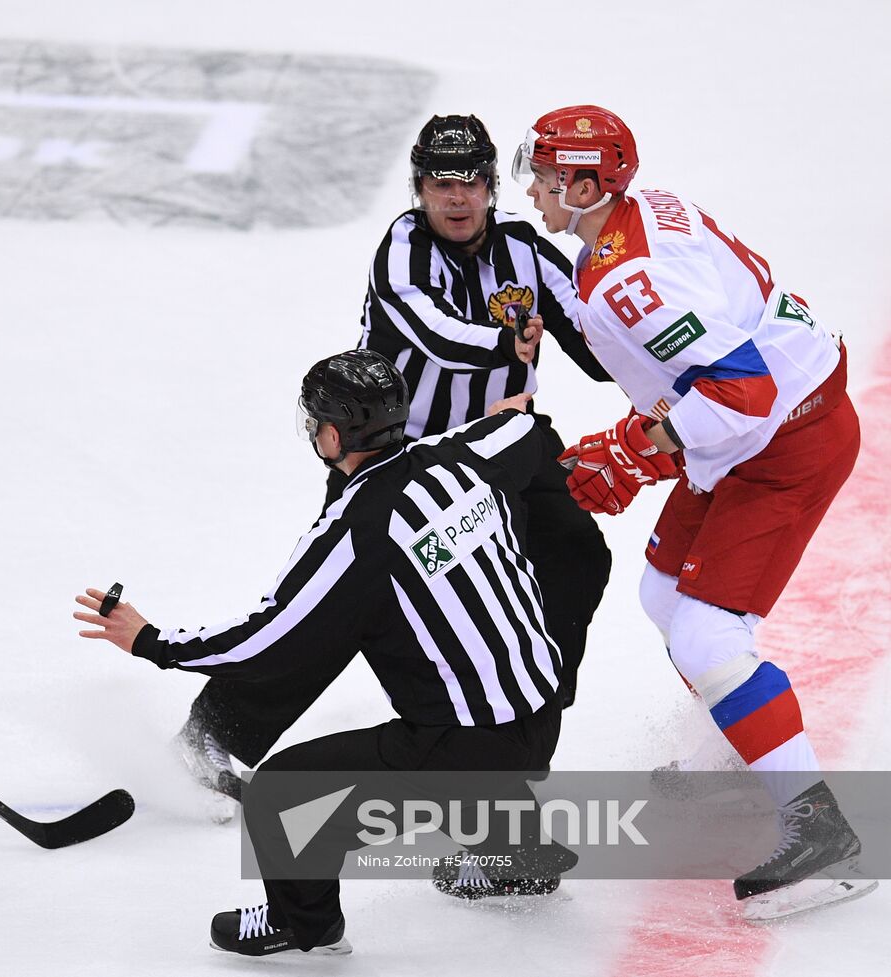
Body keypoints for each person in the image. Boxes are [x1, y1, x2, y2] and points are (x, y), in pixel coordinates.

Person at [176, 115, 612, 813]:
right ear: (419, 188)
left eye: (471, 180)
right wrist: (510, 343)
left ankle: (522, 723)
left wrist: (670, 365)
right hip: (394, 461)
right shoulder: (403, 248)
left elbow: (599, 330)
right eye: (442, 183)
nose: (458, 197)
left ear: (491, 186)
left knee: (577, 555)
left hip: (501, 453)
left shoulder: (526, 252)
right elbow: (430, 330)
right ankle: (217, 734)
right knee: (337, 604)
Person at [76, 349, 572, 956]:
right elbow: (523, 426)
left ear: (334, 434)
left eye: (314, 422)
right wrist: (515, 407)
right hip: (543, 708)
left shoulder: (357, 532)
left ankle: (301, 923)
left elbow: (267, 639)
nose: (312, 432)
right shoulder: (468, 454)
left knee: (285, 792)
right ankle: (517, 857)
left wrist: (151, 641)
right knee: (474, 741)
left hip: (469, 742)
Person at [513, 104, 874, 920]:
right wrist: (653, 436)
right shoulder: (648, 209)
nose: (531, 188)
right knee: (664, 597)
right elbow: (726, 358)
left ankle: (822, 829)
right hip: (768, 422)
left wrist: (642, 448)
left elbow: (740, 390)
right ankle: (739, 756)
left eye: (543, 174)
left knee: (710, 632)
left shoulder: (624, 281)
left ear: (585, 182)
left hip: (784, 440)